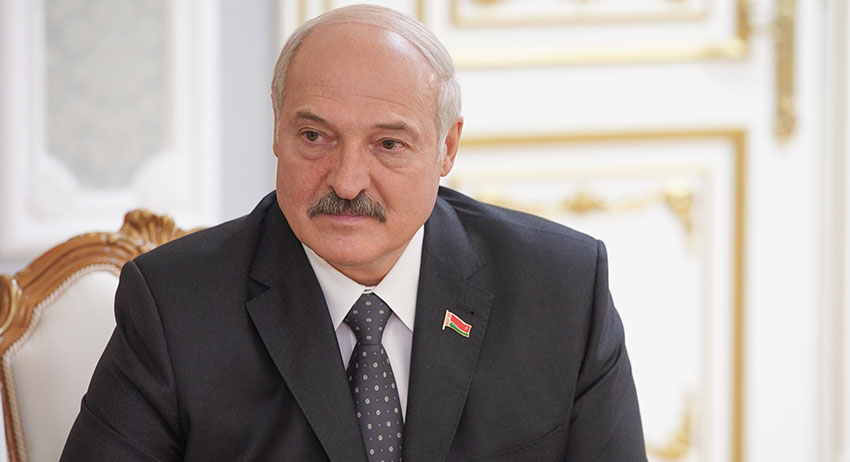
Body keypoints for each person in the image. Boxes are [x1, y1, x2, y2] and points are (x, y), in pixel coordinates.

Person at [61, 5, 646, 461]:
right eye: (315, 137)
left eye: (388, 144)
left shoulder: (563, 289)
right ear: (277, 130)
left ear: (446, 147)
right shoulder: (174, 306)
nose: (345, 181)